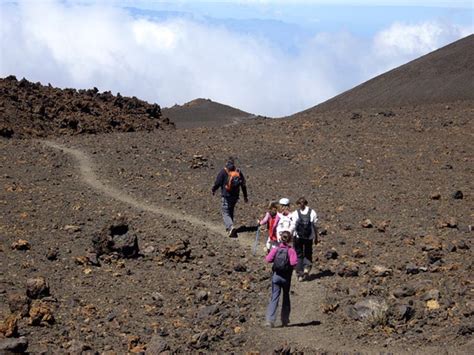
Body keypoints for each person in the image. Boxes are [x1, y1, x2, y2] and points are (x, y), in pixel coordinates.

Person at [264, 230, 297, 328]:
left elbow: (268, 259)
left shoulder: (276, 249)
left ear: (280, 238)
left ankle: (270, 320)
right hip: (286, 278)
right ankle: (285, 319)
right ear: (290, 239)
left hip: (276, 277)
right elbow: (293, 263)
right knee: (286, 297)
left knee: (274, 297)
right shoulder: (291, 250)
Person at [211, 157, 248, 237]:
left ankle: (230, 227)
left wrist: (213, 189)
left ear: (226, 163)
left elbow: (217, 182)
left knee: (225, 212)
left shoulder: (223, 171)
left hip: (226, 195)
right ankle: (230, 228)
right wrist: (245, 196)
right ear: (233, 163)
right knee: (230, 210)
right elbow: (243, 184)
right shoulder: (238, 171)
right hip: (235, 196)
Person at [292, 197, 318, 282]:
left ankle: (299, 274)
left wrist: (289, 236)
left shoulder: (295, 213)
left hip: (298, 237)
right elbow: (314, 226)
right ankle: (306, 268)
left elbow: (293, 226)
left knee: (299, 255)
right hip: (308, 237)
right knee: (308, 253)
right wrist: (316, 237)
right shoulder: (312, 212)